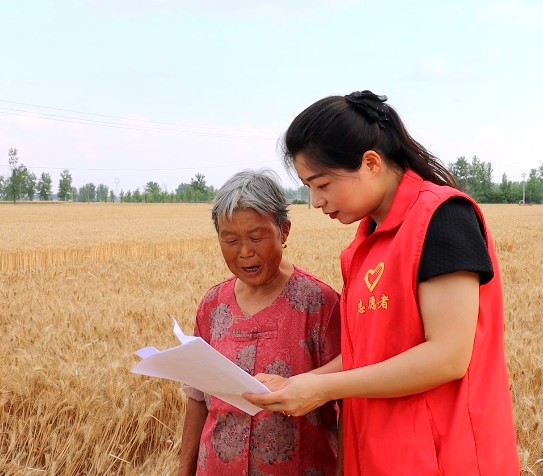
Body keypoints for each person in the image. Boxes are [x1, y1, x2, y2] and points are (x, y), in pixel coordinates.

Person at [244, 91, 520, 475]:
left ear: (370, 162)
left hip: (442, 458)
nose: (316, 201)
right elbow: (367, 353)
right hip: (380, 456)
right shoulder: (367, 243)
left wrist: (323, 390)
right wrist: (299, 383)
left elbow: (448, 356)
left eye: (322, 184)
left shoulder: (441, 218)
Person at [179, 169, 341, 476]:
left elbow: (349, 402)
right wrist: (185, 470)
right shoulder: (213, 306)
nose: (245, 252)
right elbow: (197, 399)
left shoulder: (320, 303)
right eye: (230, 240)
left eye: (256, 237)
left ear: (284, 231)